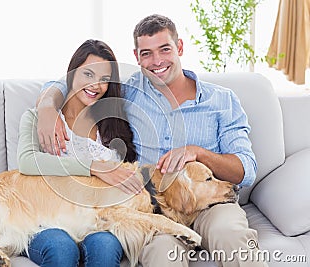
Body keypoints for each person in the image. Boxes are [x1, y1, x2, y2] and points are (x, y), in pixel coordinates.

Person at [35, 15, 267, 267]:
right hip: (156, 210)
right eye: (147, 53)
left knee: (230, 234)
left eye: (164, 49)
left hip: (212, 204)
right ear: (137, 57)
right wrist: (47, 106)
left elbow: (246, 170)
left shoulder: (221, 100)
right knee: (160, 254)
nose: (157, 61)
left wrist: (197, 153)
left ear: (179, 47)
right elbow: (80, 81)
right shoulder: (130, 93)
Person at [17, 39, 143, 267]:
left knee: (104, 248)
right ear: (72, 73)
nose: (96, 85)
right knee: (61, 250)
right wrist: (92, 167)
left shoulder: (113, 125)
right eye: (88, 74)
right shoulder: (39, 117)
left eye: (104, 79)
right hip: (45, 219)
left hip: (99, 221)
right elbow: (27, 162)